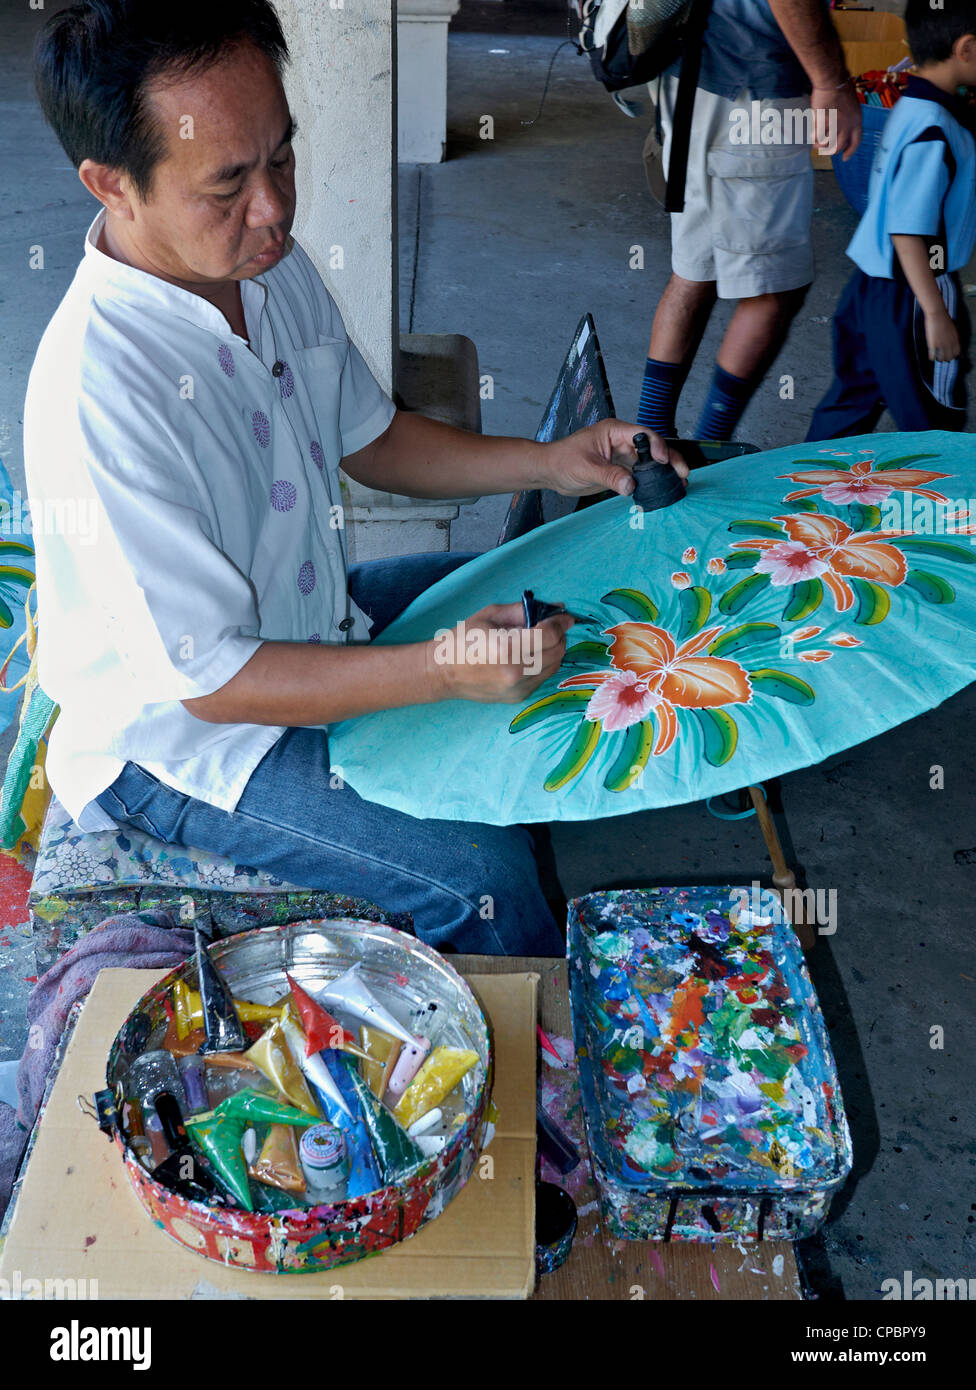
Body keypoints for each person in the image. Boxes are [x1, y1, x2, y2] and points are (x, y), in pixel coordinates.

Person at [26, 0, 687, 958]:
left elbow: (370, 438)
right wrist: (439, 672)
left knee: (560, 577)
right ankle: (533, 1089)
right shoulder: (101, 390)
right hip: (185, 744)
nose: (275, 207)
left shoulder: (263, 267)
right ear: (111, 184)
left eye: (281, 158)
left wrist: (554, 459)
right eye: (228, 186)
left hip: (309, 623)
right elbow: (215, 683)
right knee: (485, 882)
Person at [637, 0, 862, 443]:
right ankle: (709, 447)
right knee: (774, 288)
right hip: (755, 90)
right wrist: (830, 81)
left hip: (690, 77)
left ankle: (649, 441)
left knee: (695, 269)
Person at [806, 0, 976, 439]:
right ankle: (946, 504)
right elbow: (908, 231)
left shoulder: (908, 107)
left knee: (850, 403)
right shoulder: (934, 130)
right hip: (917, 290)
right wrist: (936, 312)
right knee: (936, 420)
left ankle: (803, 489)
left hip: (868, 286)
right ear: (967, 49)